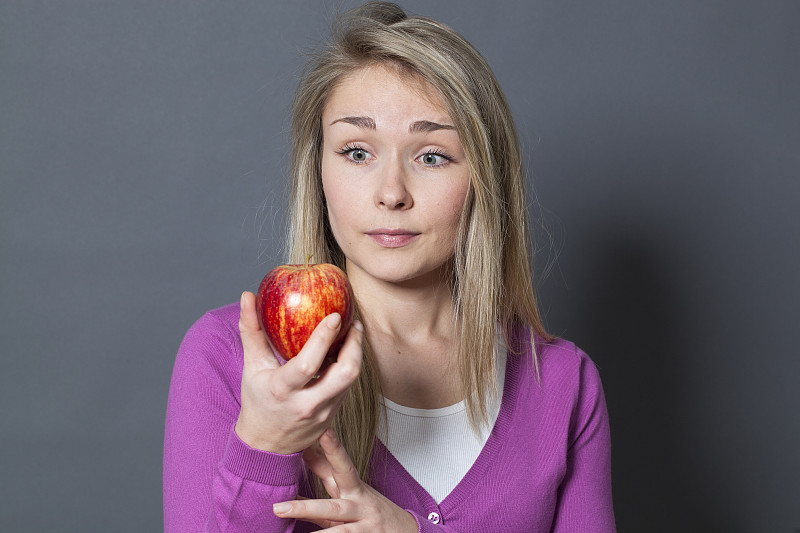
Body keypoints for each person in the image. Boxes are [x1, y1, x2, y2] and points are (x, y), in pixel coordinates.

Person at [163, 2, 616, 531]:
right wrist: (267, 445)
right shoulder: (228, 358)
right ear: (319, 170)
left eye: (432, 156)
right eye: (357, 152)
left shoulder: (562, 383)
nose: (391, 193)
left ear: (484, 182)